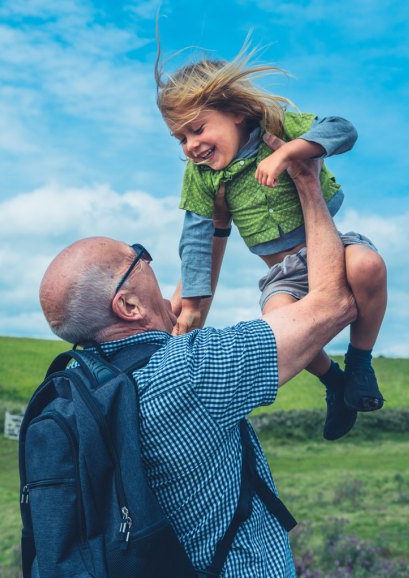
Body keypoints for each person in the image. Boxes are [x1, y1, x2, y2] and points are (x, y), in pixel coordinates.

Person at [39, 142, 356, 578]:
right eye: (138, 257)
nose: (149, 261)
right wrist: (307, 181)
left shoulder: (88, 387)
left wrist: (219, 224)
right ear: (127, 305)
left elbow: (186, 315)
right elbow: (332, 304)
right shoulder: (191, 371)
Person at [155, 42, 388, 440]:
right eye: (180, 138)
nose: (190, 145)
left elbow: (341, 129)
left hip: (331, 246)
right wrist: (191, 305)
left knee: (368, 265)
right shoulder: (202, 177)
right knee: (277, 327)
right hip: (283, 273)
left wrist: (289, 154)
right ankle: (335, 383)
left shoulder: (276, 130)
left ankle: (360, 363)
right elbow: (195, 238)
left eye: (197, 129)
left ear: (237, 113)